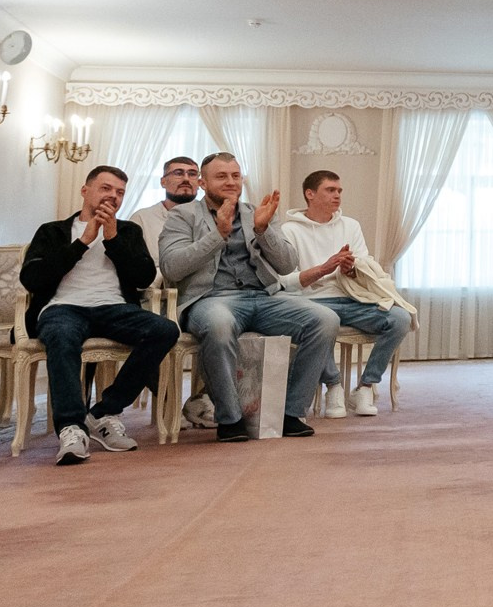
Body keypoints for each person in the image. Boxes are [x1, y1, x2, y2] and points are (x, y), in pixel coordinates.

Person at [158, 152, 338, 441]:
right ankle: (230, 419)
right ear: (203, 183)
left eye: (235, 175)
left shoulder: (258, 211)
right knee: (218, 325)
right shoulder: (183, 215)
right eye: (221, 176)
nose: (231, 182)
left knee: (325, 319)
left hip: (264, 297)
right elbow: (172, 267)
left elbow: (287, 264)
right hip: (212, 299)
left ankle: (291, 413)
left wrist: (263, 229)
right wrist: (218, 233)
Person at [17, 164, 180, 466]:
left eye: (119, 192)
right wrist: (81, 243)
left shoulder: (128, 231)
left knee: (165, 330)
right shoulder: (52, 231)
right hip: (63, 308)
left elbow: (144, 278)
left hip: (114, 308)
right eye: (106, 188)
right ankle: (71, 428)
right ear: (85, 190)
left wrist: (113, 239)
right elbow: (32, 278)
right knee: (62, 336)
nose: (113, 196)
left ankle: (105, 412)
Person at [278, 170, 412, 418]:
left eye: (339, 191)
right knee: (321, 321)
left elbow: (364, 266)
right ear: (310, 194)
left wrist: (351, 270)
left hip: (353, 300)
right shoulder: (289, 230)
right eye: (330, 190)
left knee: (400, 318)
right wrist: (324, 269)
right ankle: (334, 386)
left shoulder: (350, 225)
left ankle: (365, 386)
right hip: (311, 302)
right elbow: (284, 282)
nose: (337, 195)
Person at [129, 156, 201, 245]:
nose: (186, 179)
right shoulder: (142, 219)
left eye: (192, 174)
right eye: (178, 173)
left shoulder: (213, 217)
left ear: (200, 183)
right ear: (163, 182)